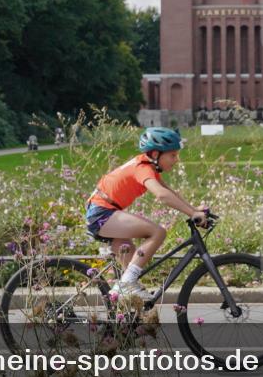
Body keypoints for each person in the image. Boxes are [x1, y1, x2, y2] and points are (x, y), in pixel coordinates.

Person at [85, 127, 207, 299]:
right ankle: (126, 285)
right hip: (101, 213)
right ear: (156, 154)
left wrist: (194, 211)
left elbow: (170, 193)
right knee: (158, 232)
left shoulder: (147, 166)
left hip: (104, 211)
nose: (176, 159)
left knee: (132, 275)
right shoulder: (143, 168)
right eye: (172, 155)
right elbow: (162, 195)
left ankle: (124, 307)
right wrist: (192, 213)